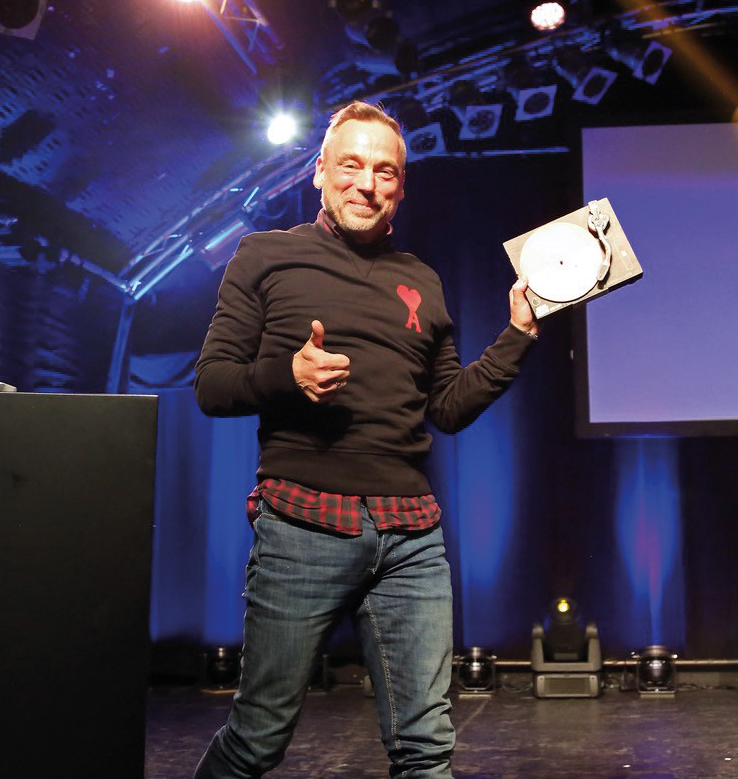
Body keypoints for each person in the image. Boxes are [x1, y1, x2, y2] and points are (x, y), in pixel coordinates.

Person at [193, 101, 539, 777]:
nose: (366, 183)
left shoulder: (422, 279)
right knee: (257, 738)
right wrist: (288, 375)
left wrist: (518, 335)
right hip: (302, 526)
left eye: (385, 171)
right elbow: (211, 384)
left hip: (412, 536)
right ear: (320, 171)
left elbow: (447, 407)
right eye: (350, 165)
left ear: (401, 187)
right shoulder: (265, 255)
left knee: (426, 749)